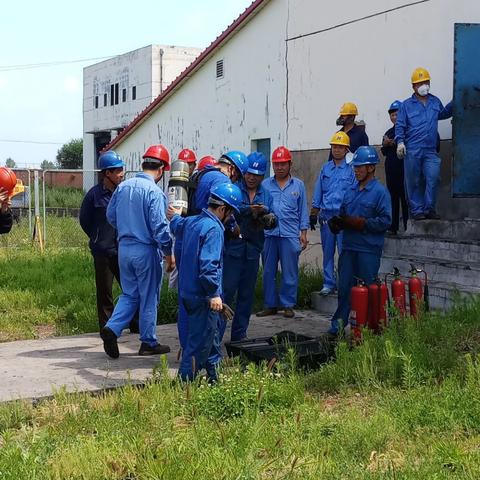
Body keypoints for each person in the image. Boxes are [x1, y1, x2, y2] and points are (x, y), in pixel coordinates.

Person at [100, 144, 174, 358]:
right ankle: (148, 342)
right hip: (146, 250)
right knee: (149, 296)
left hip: (124, 248)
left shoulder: (123, 187)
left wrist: (128, 227)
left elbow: (111, 216)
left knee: (129, 294)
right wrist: (168, 252)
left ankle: (112, 328)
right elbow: (160, 228)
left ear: (144, 164)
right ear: (161, 170)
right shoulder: (155, 192)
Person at [169, 182, 243, 382]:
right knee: (197, 344)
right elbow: (208, 265)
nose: (231, 218)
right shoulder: (214, 229)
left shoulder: (192, 221)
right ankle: (182, 386)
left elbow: (176, 224)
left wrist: (174, 214)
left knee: (212, 340)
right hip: (202, 296)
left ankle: (215, 380)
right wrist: (214, 294)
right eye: (230, 213)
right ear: (221, 209)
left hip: (188, 292)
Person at [327, 146, 392, 336]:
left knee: (370, 289)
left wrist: (362, 223)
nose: (356, 170)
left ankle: (373, 328)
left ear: (371, 168)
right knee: (345, 288)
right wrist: (337, 223)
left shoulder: (380, 193)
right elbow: (343, 215)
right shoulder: (350, 191)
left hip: (368, 249)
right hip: (349, 247)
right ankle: (337, 326)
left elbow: (386, 221)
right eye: (354, 167)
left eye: (360, 167)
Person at [79, 151, 139, 332]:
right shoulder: (94, 195)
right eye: (118, 170)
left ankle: (136, 326)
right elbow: (84, 220)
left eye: (122, 169)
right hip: (102, 251)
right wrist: (98, 237)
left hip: (123, 250)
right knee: (105, 293)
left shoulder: (124, 192)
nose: (122, 173)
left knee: (132, 289)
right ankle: (108, 330)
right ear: (107, 173)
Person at [223, 152, 276, 341]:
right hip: (233, 250)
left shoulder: (266, 194)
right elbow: (228, 213)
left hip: (253, 250)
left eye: (256, 175)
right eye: (249, 173)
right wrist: (248, 210)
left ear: (263, 176)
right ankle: (216, 335)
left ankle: (239, 336)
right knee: (226, 294)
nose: (251, 178)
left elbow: (273, 218)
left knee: (246, 296)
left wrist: (267, 216)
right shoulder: (234, 188)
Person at [257, 146, 309, 319]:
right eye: (276, 164)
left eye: (282, 164)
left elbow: (302, 210)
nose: (279, 167)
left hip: (290, 234)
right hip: (269, 235)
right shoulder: (265, 185)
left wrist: (303, 232)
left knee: (290, 271)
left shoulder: (298, 185)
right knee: (268, 271)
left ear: (290, 164)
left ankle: (287, 304)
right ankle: (270, 304)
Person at [395, 67, 453, 220]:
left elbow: (443, 113)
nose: (424, 85)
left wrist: (456, 101)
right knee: (413, 181)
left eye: (426, 82)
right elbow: (400, 125)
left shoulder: (435, 101)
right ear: (413, 86)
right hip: (413, 149)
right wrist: (400, 142)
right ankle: (417, 210)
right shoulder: (406, 105)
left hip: (430, 150)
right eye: (420, 83)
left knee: (433, 178)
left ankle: (429, 209)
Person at [310, 132, 355, 296]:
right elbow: (318, 190)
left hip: (343, 218)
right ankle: (328, 283)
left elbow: (354, 192)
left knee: (344, 252)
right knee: (327, 252)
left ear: (346, 150)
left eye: (340, 147)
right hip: (327, 217)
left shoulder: (351, 169)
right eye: (334, 146)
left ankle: (344, 283)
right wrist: (314, 211)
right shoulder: (325, 168)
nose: (336, 150)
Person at [381, 101, 409, 234]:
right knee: (393, 197)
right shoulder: (388, 132)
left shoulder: (408, 129)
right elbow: (384, 152)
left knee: (406, 198)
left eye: (397, 114)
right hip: (391, 170)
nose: (394, 117)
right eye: (392, 115)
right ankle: (393, 226)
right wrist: (387, 144)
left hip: (405, 169)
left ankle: (408, 226)